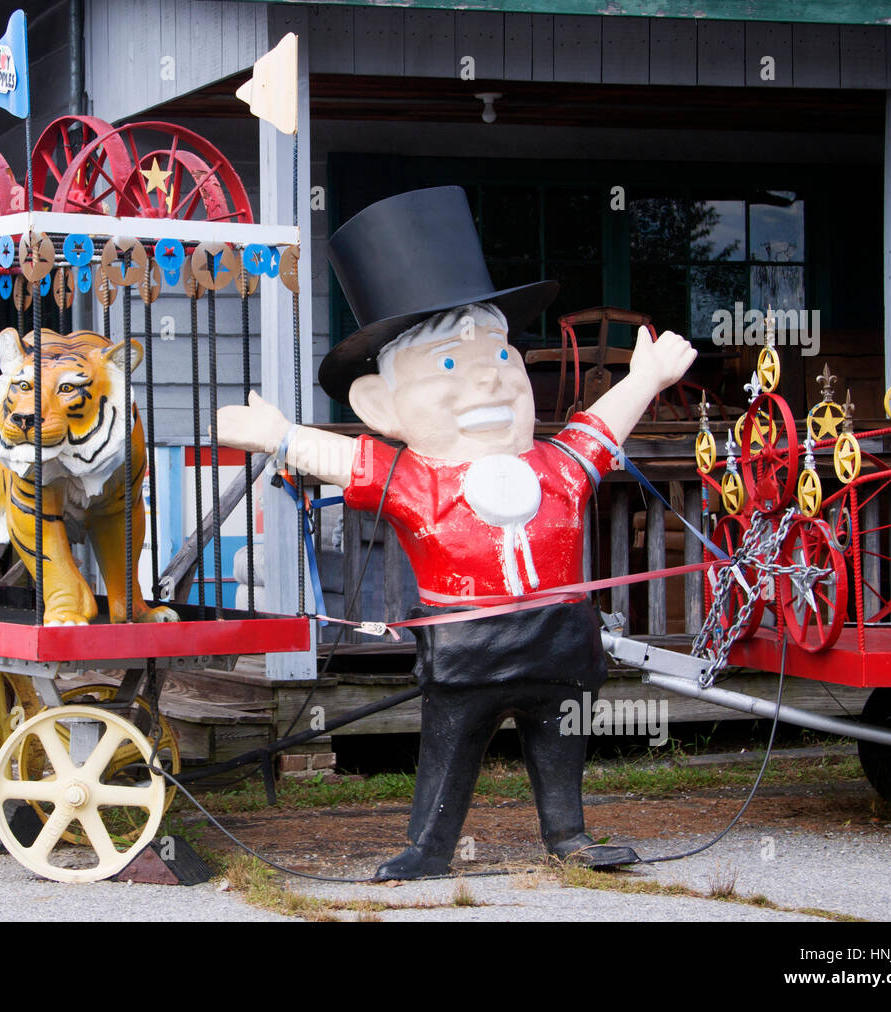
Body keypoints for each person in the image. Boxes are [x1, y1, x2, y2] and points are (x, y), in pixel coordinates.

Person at [216, 187, 696, 879]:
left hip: (559, 644)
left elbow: (600, 426)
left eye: (502, 360)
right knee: (450, 746)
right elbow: (343, 457)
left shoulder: (558, 467)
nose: (490, 385)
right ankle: (431, 846)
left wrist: (645, 378)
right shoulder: (416, 480)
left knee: (561, 744)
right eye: (449, 367)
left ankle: (569, 834)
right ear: (382, 405)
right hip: (467, 650)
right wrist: (281, 437)